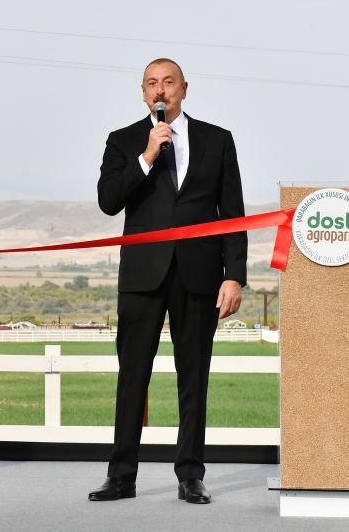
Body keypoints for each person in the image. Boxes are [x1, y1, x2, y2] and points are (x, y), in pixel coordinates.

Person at [89, 58, 246, 505]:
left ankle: (190, 475)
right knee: (131, 376)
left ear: (184, 89)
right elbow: (107, 202)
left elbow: (232, 215)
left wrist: (234, 275)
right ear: (143, 94)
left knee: (193, 377)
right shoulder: (123, 142)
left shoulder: (218, 140)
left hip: (199, 276)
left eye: (169, 82)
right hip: (142, 276)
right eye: (152, 84)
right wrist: (146, 156)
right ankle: (121, 476)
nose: (161, 90)